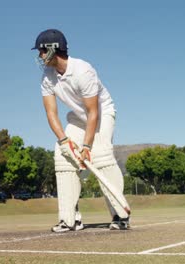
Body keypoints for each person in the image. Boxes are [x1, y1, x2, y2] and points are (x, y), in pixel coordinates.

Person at [32, 29, 131, 232]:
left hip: (102, 114)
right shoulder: (47, 76)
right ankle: (70, 219)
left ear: (52, 49)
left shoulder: (83, 71)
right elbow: (51, 113)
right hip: (78, 118)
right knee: (62, 156)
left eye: (42, 51)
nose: (40, 56)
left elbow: (93, 112)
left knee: (101, 156)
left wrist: (86, 146)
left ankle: (120, 216)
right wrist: (63, 141)